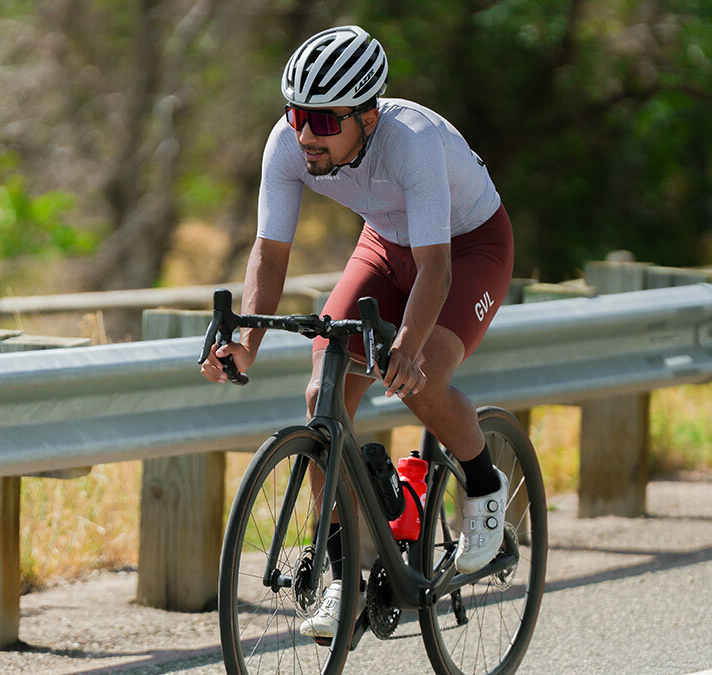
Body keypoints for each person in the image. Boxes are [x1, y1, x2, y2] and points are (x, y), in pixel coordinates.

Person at [200, 25, 514, 639]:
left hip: (467, 246)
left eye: (324, 121)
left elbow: (436, 269)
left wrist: (407, 349)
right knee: (322, 398)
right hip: (384, 245)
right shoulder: (289, 144)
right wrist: (247, 341)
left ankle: (484, 486)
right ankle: (342, 575)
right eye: (296, 116)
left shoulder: (412, 142)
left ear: (368, 117)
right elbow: (269, 251)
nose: (305, 133)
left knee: (420, 380)